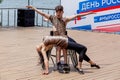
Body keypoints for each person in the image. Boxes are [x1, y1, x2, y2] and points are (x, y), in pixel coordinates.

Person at [26, 5, 100, 74]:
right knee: (62, 47)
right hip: (58, 40)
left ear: (62, 12)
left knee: (79, 48)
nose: (58, 13)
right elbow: (42, 13)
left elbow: (77, 15)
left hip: (65, 38)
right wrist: (33, 8)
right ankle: (63, 63)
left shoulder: (65, 19)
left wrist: (89, 13)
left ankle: (90, 63)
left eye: (60, 12)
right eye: (57, 12)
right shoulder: (52, 18)